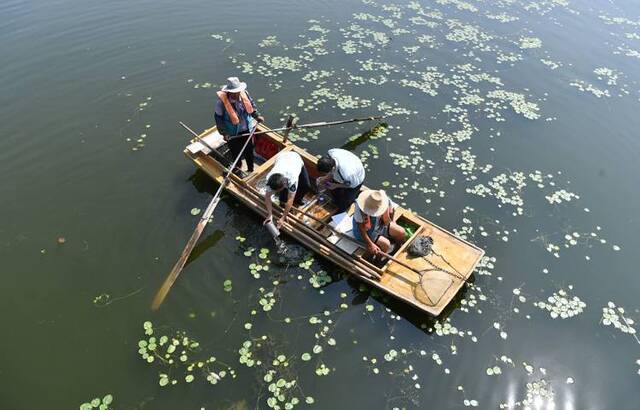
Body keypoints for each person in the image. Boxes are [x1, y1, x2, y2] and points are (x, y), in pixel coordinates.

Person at [214, 77, 264, 173]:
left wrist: (257, 116)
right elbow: (218, 118)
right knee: (235, 151)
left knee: (249, 150)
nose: (236, 94)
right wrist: (224, 133)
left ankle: (250, 169)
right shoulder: (221, 103)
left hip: (246, 129)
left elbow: (252, 106)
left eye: (237, 92)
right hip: (232, 132)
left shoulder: (245, 94)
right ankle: (238, 167)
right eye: (233, 92)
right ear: (229, 92)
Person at [263, 151, 311, 228]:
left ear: (284, 185)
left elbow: (290, 199)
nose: (274, 192)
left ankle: (298, 201)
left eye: (277, 190)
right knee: (283, 198)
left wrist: (283, 217)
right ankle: (282, 203)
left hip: (296, 159)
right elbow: (267, 196)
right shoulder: (270, 178)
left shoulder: (292, 179)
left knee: (306, 186)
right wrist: (270, 215)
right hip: (282, 158)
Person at [352, 189, 406, 255]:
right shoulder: (359, 210)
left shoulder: (383, 199)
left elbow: (392, 211)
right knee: (386, 244)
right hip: (368, 231)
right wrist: (370, 244)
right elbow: (361, 229)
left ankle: (396, 251)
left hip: (380, 224)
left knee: (401, 232)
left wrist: (393, 221)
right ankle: (378, 260)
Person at [316, 148, 365, 212]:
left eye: (326, 173)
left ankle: (341, 210)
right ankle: (335, 202)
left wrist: (336, 185)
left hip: (356, 180)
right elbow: (331, 173)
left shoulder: (347, 174)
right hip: (346, 170)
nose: (326, 175)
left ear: (333, 168)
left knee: (345, 202)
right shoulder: (330, 152)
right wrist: (325, 178)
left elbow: (352, 185)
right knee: (335, 192)